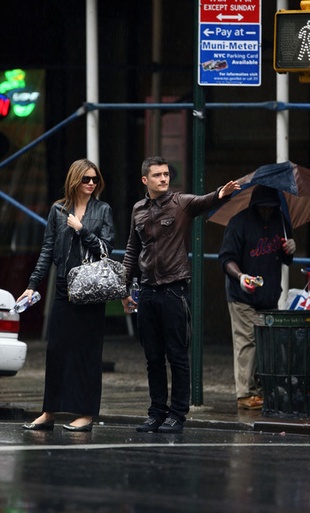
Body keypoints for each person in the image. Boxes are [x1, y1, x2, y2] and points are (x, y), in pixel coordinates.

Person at [121, 156, 240, 433]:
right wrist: (124, 288)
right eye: (157, 175)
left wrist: (220, 194)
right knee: (153, 357)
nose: (163, 179)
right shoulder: (138, 209)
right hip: (147, 292)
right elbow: (131, 251)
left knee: (177, 355)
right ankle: (156, 412)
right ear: (145, 180)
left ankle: (177, 414)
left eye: (166, 174)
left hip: (174, 291)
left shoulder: (180, 203)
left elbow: (204, 201)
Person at [18, 158, 114, 432]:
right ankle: (49, 411)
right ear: (75, 180)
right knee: (57, 349)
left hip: (91, 288)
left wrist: (83, 231)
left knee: (87, 352)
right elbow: (47, 250)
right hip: (63, 286)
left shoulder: (102, 209)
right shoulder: (58, 211)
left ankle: (85, 414)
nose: (92, 183)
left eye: (95, 179)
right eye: (86, 179)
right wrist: (33, 284)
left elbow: (107, 249)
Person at [218, 185, 296, 410]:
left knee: (268, 345)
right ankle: (245, 393)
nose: (266, 212)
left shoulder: (280, 221)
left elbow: (286, 259)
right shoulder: (238, 223)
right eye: (262, 208)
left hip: (269, 295)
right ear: (254, 206)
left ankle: (263, 389)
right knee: (248, 341)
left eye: (270, 208)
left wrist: (290, 248)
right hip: (242, 294)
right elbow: (226, 259)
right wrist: (241, 277)